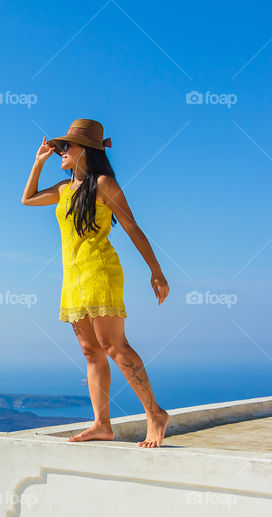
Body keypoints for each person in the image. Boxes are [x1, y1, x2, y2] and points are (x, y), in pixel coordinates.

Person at [21, 119, 170, 447]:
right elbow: (27, 199)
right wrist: (38, 162)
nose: (60, 151)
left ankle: (155, 414)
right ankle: (102, 424)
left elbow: (131, 227)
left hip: (100, 271)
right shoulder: (63, 190)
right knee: (91, 352)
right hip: (72, 278)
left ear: (85, 150)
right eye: (59, 146)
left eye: (65, 147)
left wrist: (155, 270)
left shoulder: (104, 184)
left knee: (114, 347)